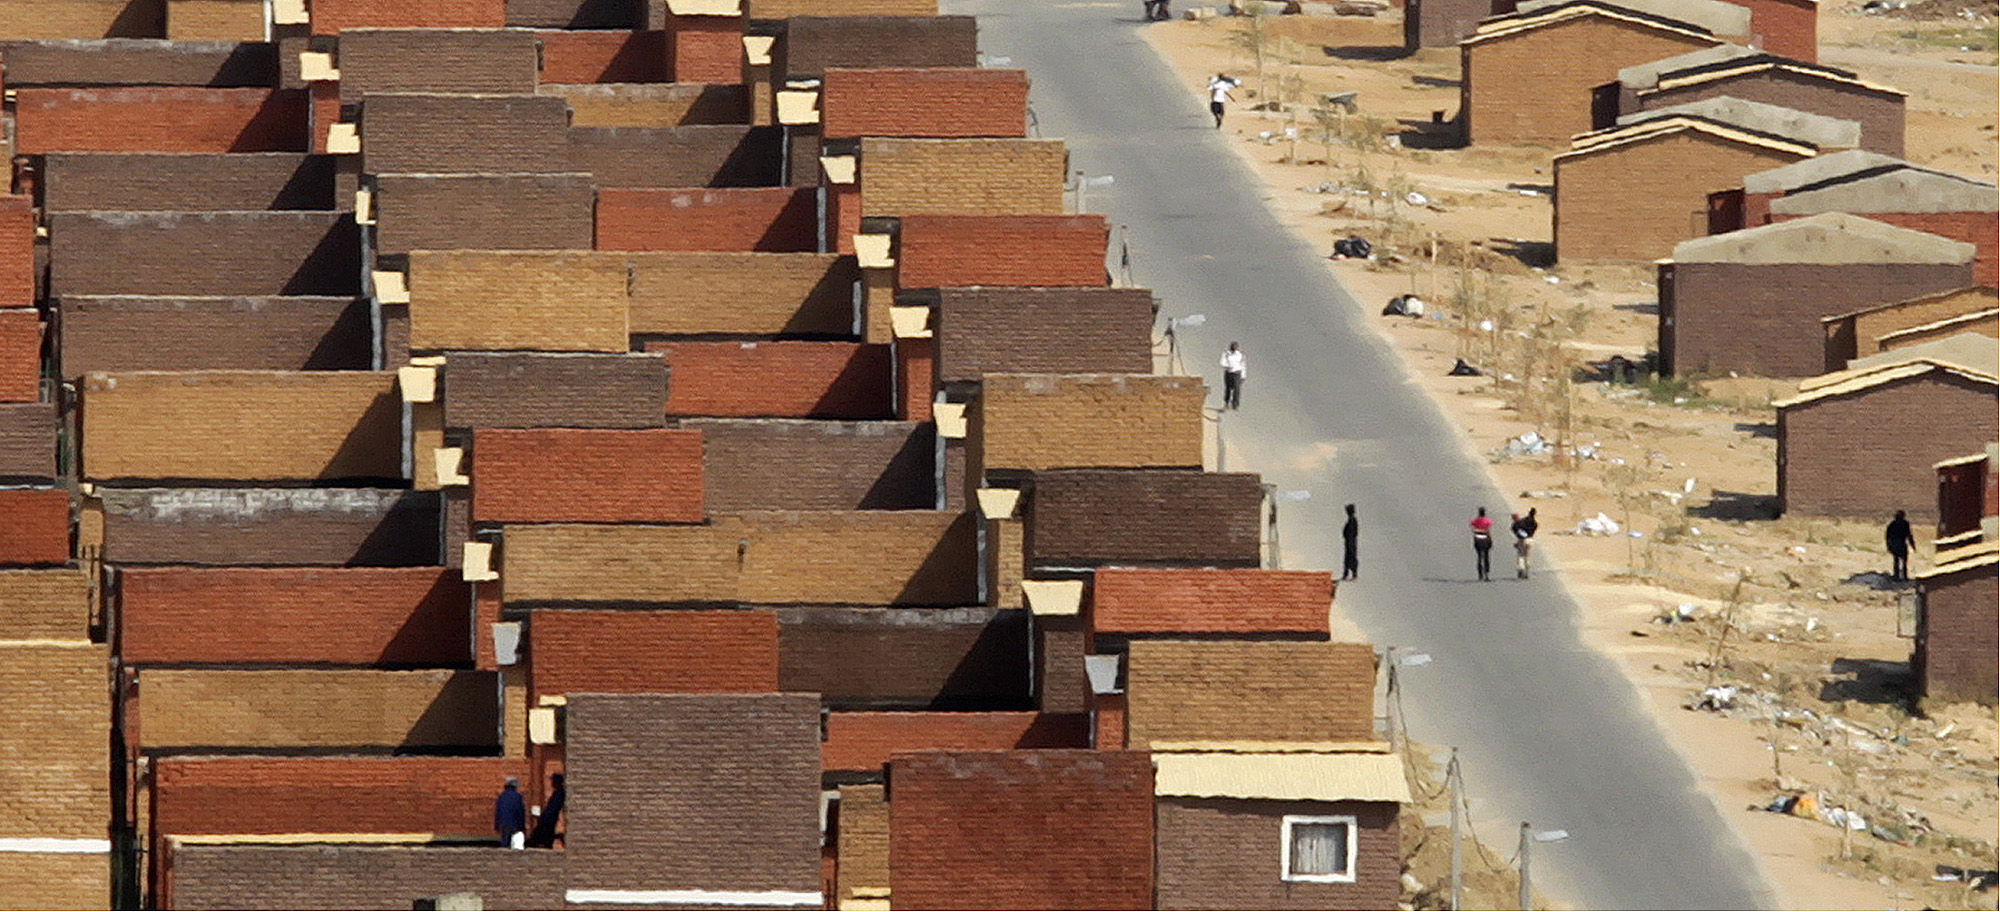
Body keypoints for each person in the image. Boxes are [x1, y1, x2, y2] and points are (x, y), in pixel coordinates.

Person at [526, 773, 566, 848]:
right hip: (549, 820)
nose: (551, 783)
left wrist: (543, 818)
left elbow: (552, 809)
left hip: (549, 821)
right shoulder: (558, 793)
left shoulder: (559, 793)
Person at [494, 777, 527, 849]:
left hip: (504, 823)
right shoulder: (518, 796)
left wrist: (497, 824)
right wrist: (522, 825)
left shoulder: (502, 796)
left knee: (505, 842)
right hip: (515, 823)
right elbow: (520, 811)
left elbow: (498, 811)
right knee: (515, 844)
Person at [1885, 510, 1915, 581]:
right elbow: (1909, 535)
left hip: (1895, 544)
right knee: (1904, 561)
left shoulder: (1892, 524)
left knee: (1896, 560)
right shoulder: (1905, 524)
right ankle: (1904, 576)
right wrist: (1912, 545)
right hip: (1901, 544)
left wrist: (1889, 546)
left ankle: (1896, 576)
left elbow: (1887, 537)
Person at [1511, 508, 1538, 579]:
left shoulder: (1521, 521)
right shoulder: (1535, 523)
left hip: (1522, 540)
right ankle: (1527, 572)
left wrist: (1518, 536)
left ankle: (1521, 568)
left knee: (1521, 555)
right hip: (1530, 539)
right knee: (1528, 556)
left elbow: (1514, 528)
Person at [1220, 341, 1246, 410]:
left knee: (1237, 389)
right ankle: (1226, 403)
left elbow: (1243, 365)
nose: (1234, 348)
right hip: (1229, 373)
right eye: (1233, 346)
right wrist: (1228, 366)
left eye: (1236, 346)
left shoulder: (1240, 354)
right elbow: (1222, 362)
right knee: (1228, 388)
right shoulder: (1226, 353)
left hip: (1237, 373)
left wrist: (1243, 375)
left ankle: (1235, 404)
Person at [1470, 507, 1494, 581]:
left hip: (1477, 539)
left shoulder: (1475, 520)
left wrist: (1478, 530)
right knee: (1486, 557)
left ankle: (1480, 575)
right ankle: (1486, 574)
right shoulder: (1488, 520)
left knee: (1479, 557)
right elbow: (1488, 528)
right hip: (1486, 538)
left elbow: (1473, 528)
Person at [1341, 504, 1360, 581]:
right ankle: (1347, 574)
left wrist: (1350, 542)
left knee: (1351, 558)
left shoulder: (1352, 520)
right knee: (1348, 559)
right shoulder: (1351, 520)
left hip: (1351, 543)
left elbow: (1353, 533)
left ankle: (1352, 574)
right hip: (1349, 542)